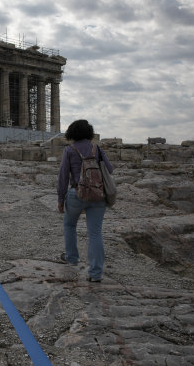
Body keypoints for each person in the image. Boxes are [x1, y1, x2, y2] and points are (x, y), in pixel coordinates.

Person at [57, 119, 114, 282]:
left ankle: (72, 258)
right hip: (98, 195)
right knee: (95, 233)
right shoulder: (97, 149)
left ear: (71, 133)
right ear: (89, 132)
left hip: (77, 194)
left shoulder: (69, 150)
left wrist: (60, 199)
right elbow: (109, 169)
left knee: (69, 225)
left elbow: (62, 176)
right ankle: (95, 274)